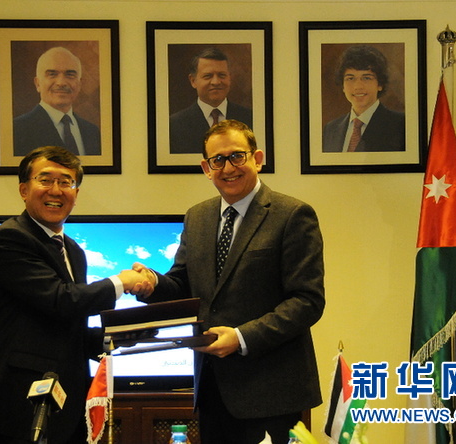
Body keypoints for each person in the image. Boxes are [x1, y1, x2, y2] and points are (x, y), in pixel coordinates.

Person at [134, 120, 325, 444]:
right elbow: (183, 284)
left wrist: (240, 337)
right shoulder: (197, 216)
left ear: (257, 159)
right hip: (212, 389)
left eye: (237, 156)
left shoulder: (292, 214)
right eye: (218, 160)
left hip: (272, 392)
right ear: (206, 168)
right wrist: (152, 283)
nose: (228, 168)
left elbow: (307, 301)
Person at [0, 146, 150, 444]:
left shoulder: (73, 251)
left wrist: (120, 335)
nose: (56, 190)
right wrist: (122, 283)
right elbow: (60, 300)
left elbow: (65, 329)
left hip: (66, 406)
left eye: (66, 182)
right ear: (24, 189)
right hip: (18, 409)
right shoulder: (9, 238)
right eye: (45, 180)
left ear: (76, 193)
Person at [13, 47, 101, 157]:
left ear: (79, 84)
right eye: (52, 74)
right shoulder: (17, 130)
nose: (61, 83)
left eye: (70, 75)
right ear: (38, 84)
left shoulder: (92, 132)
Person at [322, 45, 405, 153]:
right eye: (350, 78)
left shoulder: (401, 125)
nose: (358, 86)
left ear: (380, 84)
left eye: (366, 78)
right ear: (343, 86)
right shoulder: (330, 129)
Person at [169, 47, 253, 154]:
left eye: (222, 75)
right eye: (208, 76)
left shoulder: (250, 118)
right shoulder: (174, 125)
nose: (216, 82)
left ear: (229, 78)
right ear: (193, 81)